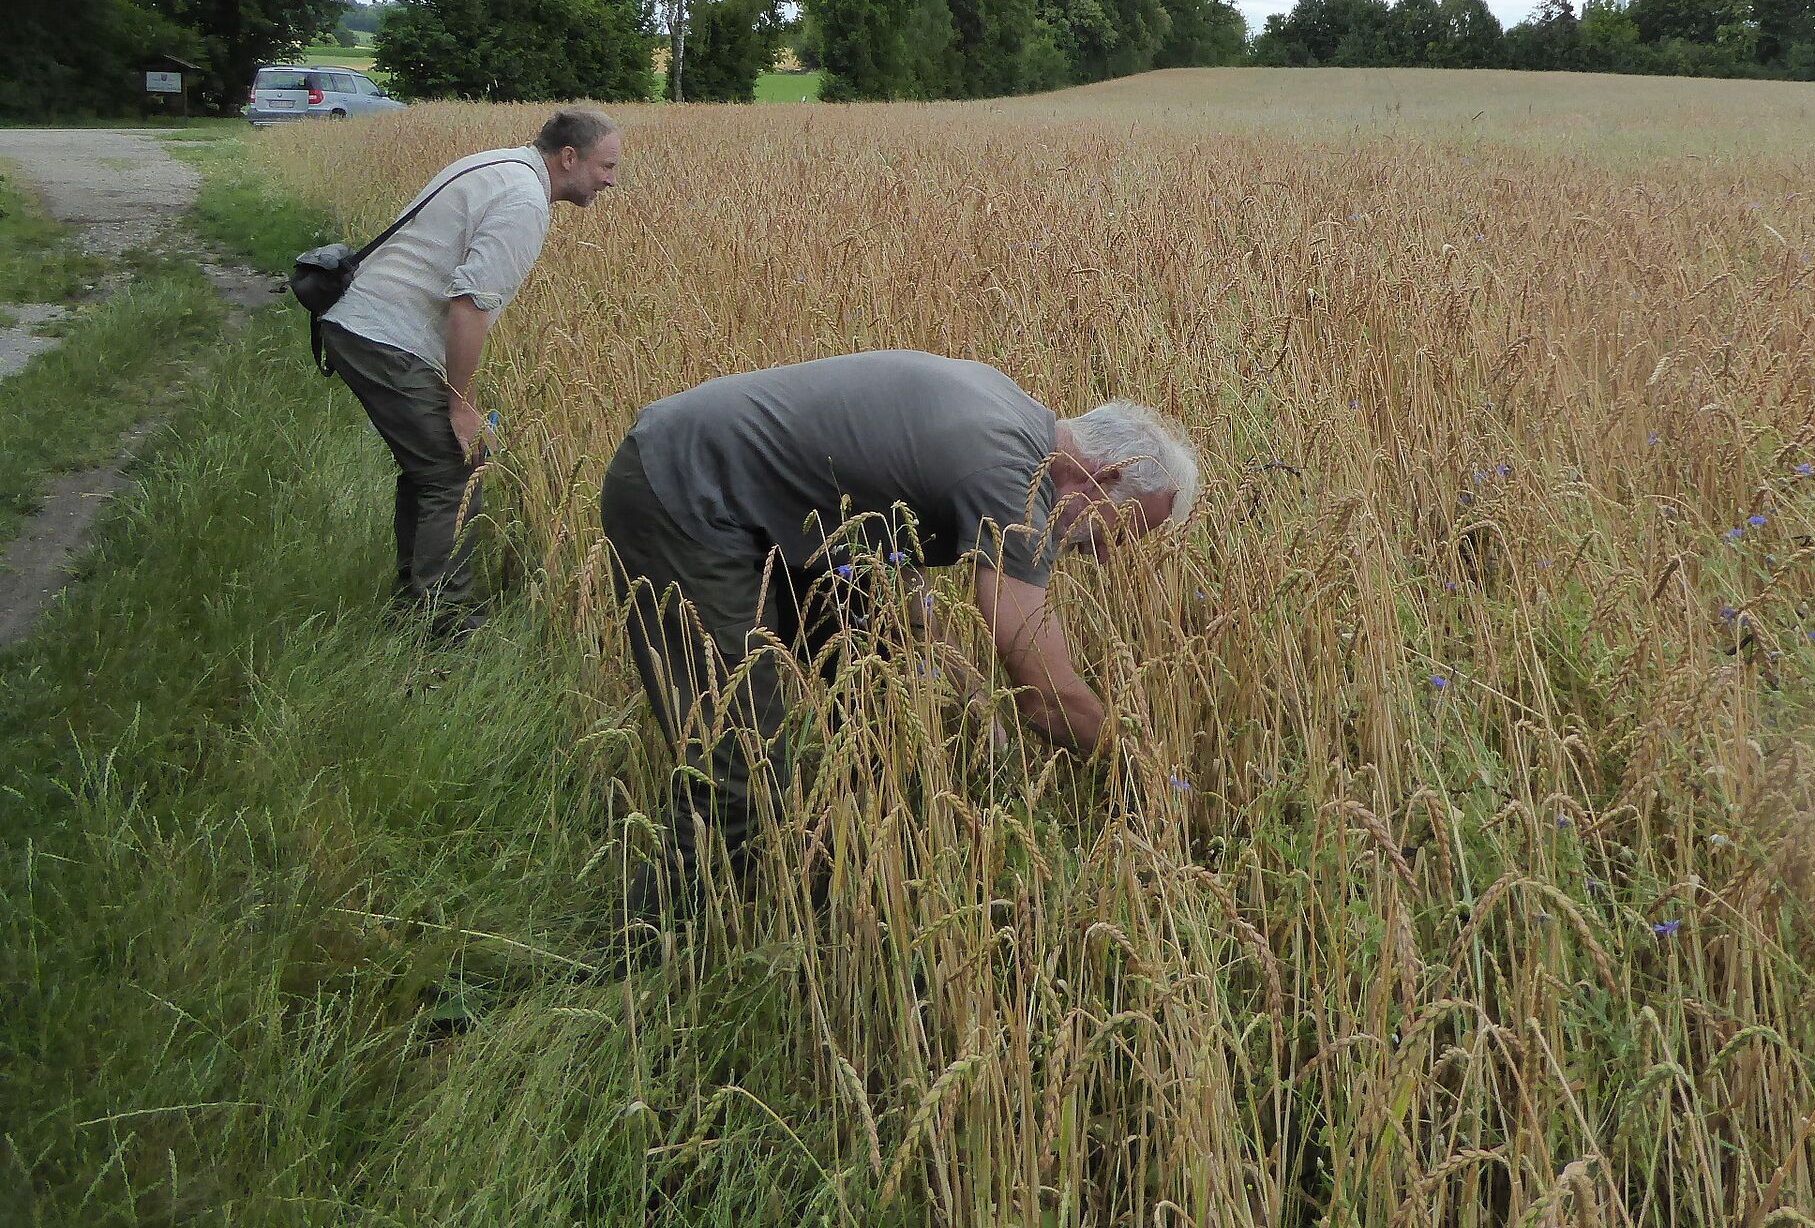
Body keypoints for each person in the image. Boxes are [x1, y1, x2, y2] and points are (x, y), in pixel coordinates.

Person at [601, 349, 1198, 909]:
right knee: (740, 769)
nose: (1103, 557)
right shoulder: (1013, 477)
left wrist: (965, 689)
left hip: (771, 510)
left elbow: (889, 547)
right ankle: (641, 959)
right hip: (686, 494)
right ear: (1107, 475)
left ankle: (847, 881)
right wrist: (1148, 779)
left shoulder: (1013, 420)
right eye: (1121, 532)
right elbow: (1047, 695)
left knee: (881, 693)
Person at [320, 107, 624, 633]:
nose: (611, 181)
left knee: (430, 468)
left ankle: (415, 601)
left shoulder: (500, 165)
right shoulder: (524, 200)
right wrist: (461, 403)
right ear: (569, 158)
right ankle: (445, 619)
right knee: (453, 472)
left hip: (365, 325)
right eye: (607, 166)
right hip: (386, 336)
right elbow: (469, 306)